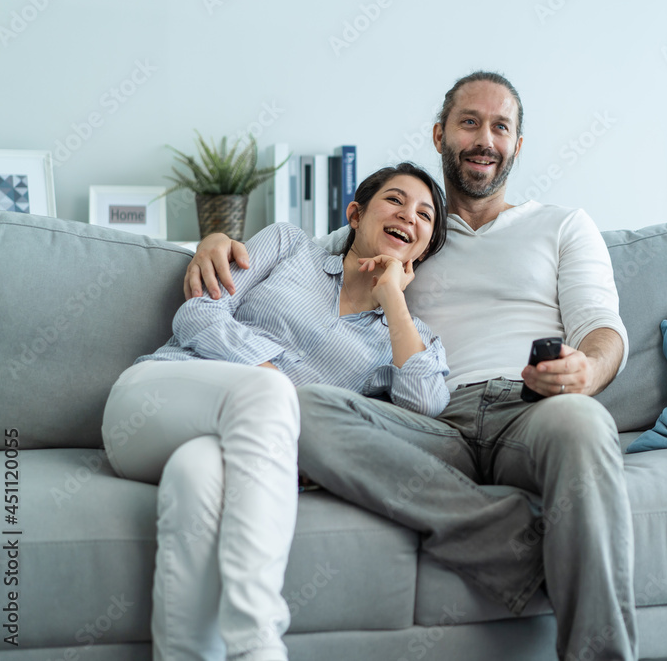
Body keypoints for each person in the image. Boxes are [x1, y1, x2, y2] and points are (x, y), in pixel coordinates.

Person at [188, 71, 637, 661]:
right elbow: (316, 259)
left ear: (517, 145)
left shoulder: (561, 226)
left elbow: (603, 329)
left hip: (527, 410)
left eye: (501, 126)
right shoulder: (411, 231)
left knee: (582, 424)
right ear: (440, 134)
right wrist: (212, 240)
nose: (485, 138)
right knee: (300, 405)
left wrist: (587, 371)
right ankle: (517, 546)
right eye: (468, 122)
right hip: (430, 421)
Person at [102, 162, 449, 661]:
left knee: (198, 475)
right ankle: (257, 646)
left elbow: (424, 405)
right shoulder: (289, 246)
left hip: (216, 448)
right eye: (395, 200)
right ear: (355, 213)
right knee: (271, 395)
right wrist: (272, 379)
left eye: (425, 216)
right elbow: (198, 311)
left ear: (423, 248)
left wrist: (392, 299)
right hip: (153, 402)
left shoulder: (412, 339)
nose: (409, 216)